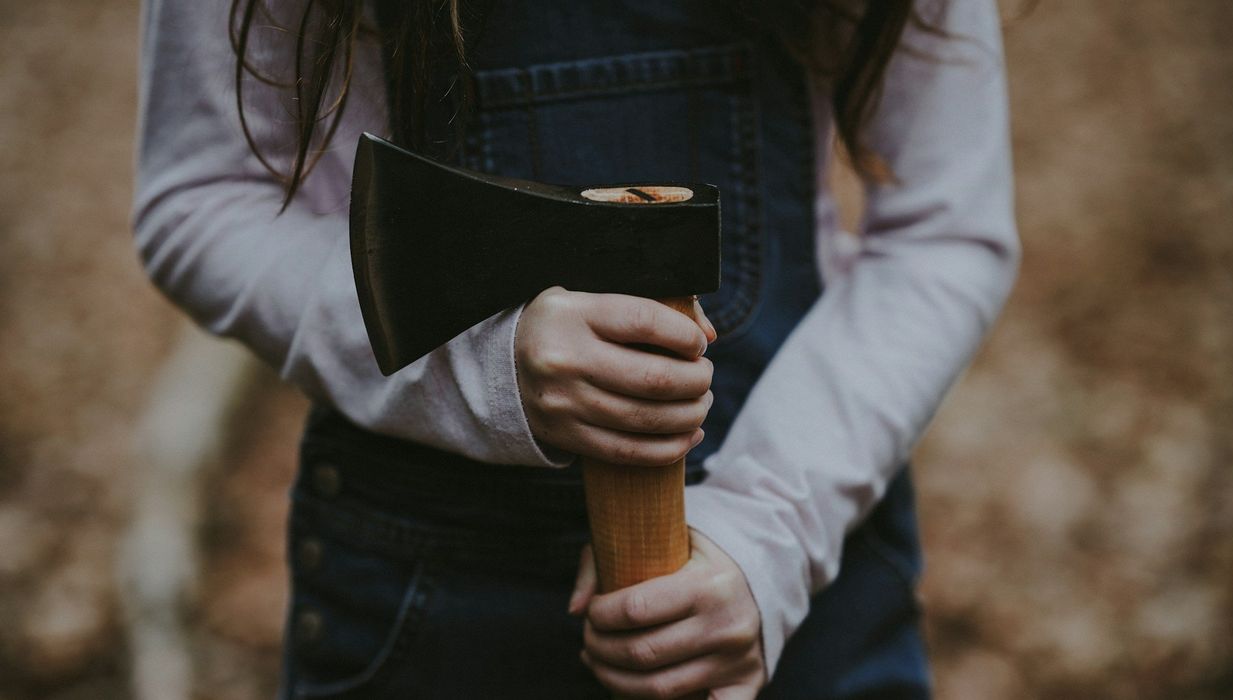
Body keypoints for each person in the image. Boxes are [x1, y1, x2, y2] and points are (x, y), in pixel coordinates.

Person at [133, 0, 1019, 697]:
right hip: (434, 597)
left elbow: (946, 229)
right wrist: (485, 365)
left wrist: (767, 530)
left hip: (808, 582)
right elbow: (201, 199)